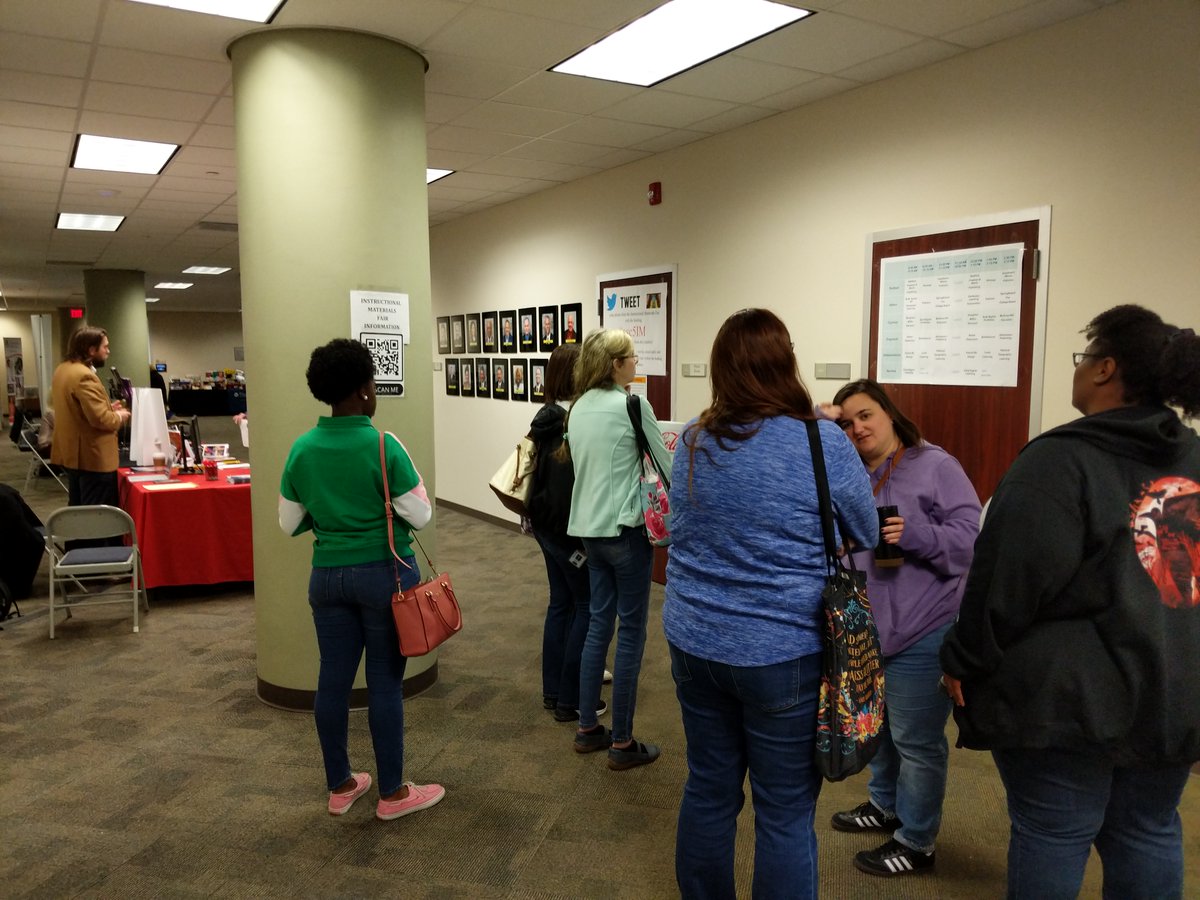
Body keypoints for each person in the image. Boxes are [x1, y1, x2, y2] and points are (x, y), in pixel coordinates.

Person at [940, 305, 1200, 900]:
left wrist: (962, 658)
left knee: (1053, 833)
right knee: (1148, 829)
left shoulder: (1060, 460)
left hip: (1069, 704)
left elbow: (1005, 582)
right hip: (1174, 690)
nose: (1078, 371)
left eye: (1084, 360)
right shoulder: (1194, 457)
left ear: (1105, 369)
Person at [663, 308, 877, 898]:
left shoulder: (693, 438)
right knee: (783, 811)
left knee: (709, 788)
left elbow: (678, 528)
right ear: (786, 363)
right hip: (782, 651)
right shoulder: (820, 441)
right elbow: (866, 527)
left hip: (694, 639)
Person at [279, 338, 444, 821]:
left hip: (327, 578)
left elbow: (289, 523)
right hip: (384, 578)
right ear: (363, 391)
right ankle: (392, 794)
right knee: (384, 684)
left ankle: (342, 785)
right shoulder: (382, 443)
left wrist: (328, 519)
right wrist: (380, 511)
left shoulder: (302, 448)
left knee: (332, 680)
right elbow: (421, 512)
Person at [826, 378, 981, 878]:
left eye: (866, 415)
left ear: (889, 414)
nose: (858, 428)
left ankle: (917, 841)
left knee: (917, 740)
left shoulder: (935, 465)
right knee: (882, 731)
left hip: (923, 628)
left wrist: (916, 536)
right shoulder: (851, 472)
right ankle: (883, 805)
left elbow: (970, 541)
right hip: (868, 628)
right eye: (847, 422)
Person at [563, 329, 672, 769]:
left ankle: (588, 726)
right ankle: (623, 742)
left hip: (588, 530)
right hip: (626, 532)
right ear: (615, 364)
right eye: (631, 357)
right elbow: (665, 464)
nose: (635, 363)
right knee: (631, 632)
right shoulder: (632, 404)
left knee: (596, 625)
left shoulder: (578, 408)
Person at [527, 344, 605, 723]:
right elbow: (565, 488)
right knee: (586, 606)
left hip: (544, 526)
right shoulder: (566, 423)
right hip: (566, 532)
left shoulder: (545, 417)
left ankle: (553, 691)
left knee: (561, 604)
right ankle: (571, 700)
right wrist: (579, 541)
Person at [50, 326, 131, 508]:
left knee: (78, 510)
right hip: (93, 457)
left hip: (73, 454)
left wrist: (108, 407)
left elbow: (77, 410)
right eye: (105, 347)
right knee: (96, 517)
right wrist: (119, 416)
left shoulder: (63, 370)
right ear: (91, 350)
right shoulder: (85, 376)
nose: (108, 351)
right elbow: (100, 420)